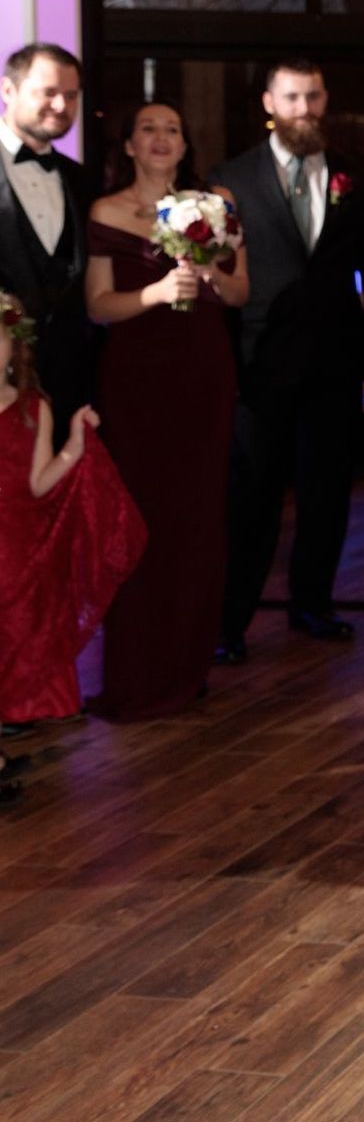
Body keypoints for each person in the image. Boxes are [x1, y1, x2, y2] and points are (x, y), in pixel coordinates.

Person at [211, 58, 364, 660]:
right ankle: (230, 622)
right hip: (259, 365)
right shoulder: (230, 180)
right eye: (291, 97)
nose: (304, 109)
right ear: (269, 102)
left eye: (313, 96)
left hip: (335, 363)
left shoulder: (353, 177)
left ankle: (313, 604)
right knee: (253, 498)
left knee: (327, 493)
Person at [86, 103, 246, 718]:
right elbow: (98, 306)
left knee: (198, 520)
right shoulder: (106, 211)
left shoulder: (217, 203)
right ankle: (136, 672)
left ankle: (188, 666)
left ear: (184, 145)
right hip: (136, 384)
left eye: (172, 129)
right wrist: (154, 292)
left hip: (203, 375)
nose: (160, 138)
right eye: (148, 129)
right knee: (138, 521)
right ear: (128, 144)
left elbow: (240, 292)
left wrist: (207, 274)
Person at [0, 290, 145, 739]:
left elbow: (38, 482)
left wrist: (74, 446)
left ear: (14, 346)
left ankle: (19, 703)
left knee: (23, 623)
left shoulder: (33, 408)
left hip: (18, 542)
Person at [0, 43, 92, 432]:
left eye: (71, 95)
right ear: (8, 91)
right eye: (49, 92)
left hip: (70, 376)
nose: (61, 105)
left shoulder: (81, 179)